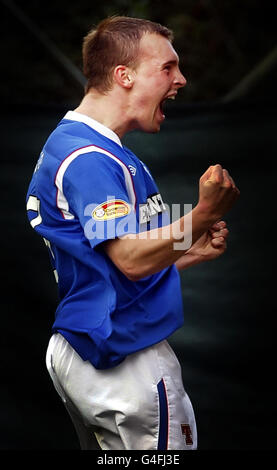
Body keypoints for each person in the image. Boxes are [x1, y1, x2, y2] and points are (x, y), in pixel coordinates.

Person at [26, 16, 239, 451]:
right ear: (123, 75)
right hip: (124, 357)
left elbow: (111, 262)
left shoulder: (88, 146)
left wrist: (186, 247)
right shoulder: (89, 155)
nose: (181, 79)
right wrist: (201, 214)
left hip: (87, 344)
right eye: (167, 67)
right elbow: (128, 258)